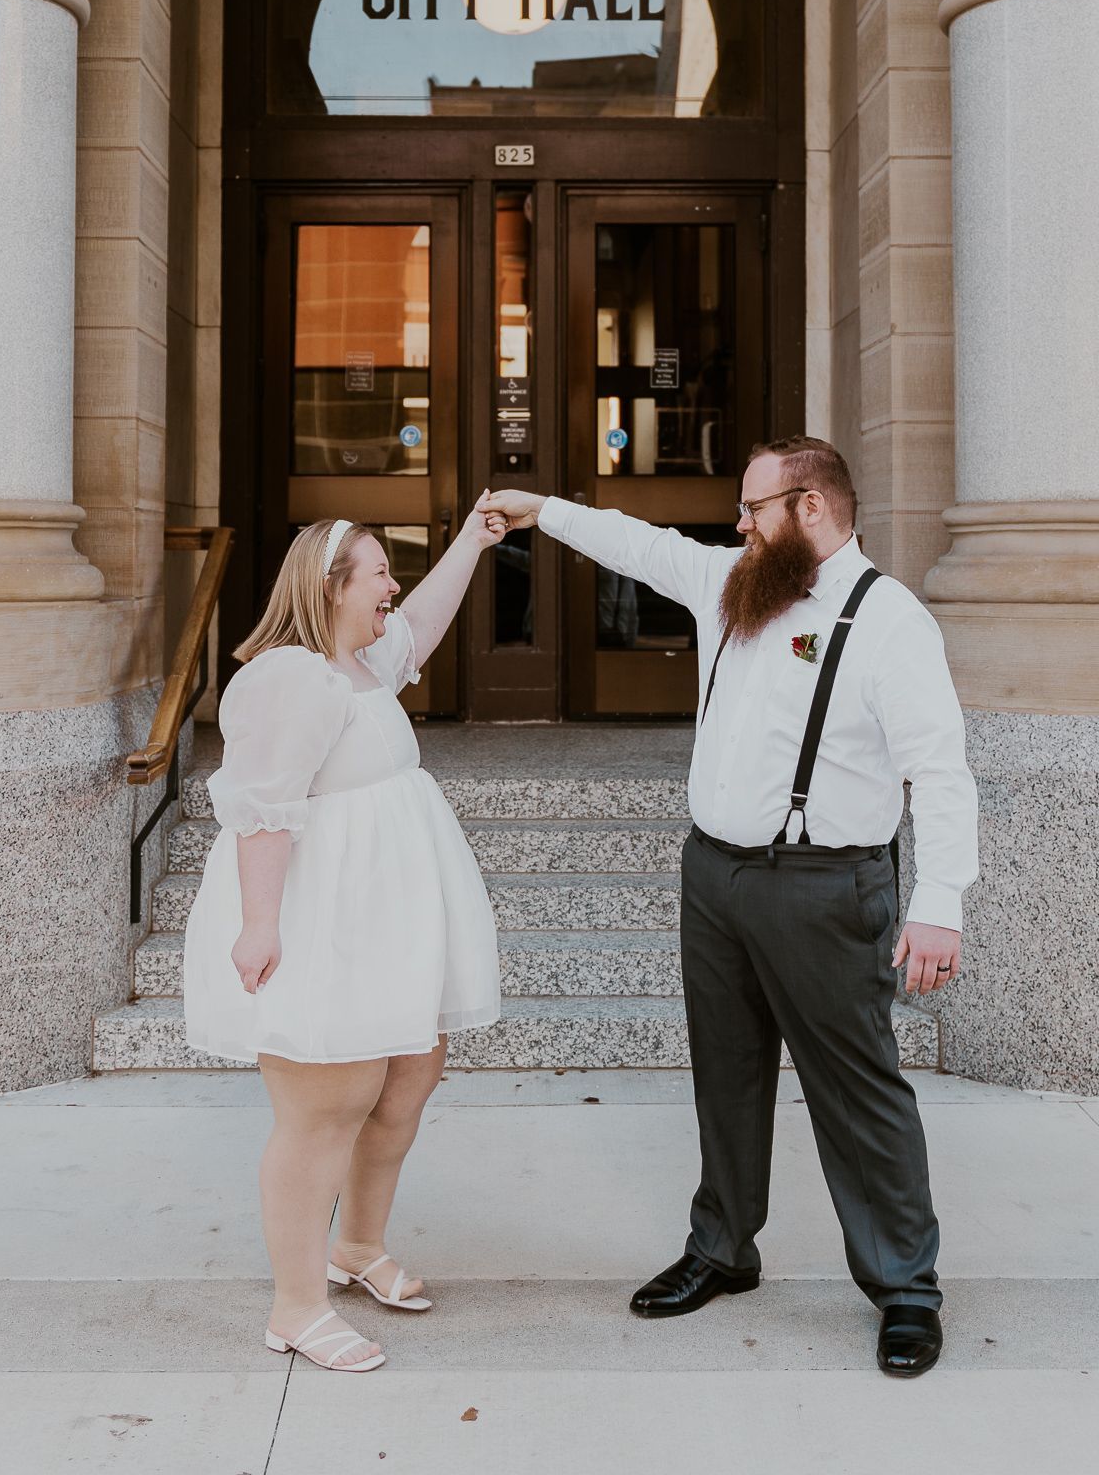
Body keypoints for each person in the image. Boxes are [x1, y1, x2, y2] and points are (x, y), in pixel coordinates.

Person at [489, 438, 979, 1380]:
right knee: (726, 1071)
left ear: (811, 508)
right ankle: (722, 1249)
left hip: (826, 888)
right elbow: (637, 544)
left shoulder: (889, 620)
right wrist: (539, 509)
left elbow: (942, 772)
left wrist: (939, 903)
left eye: (755, 508)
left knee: (856, 1088)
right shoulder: (731, 583)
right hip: (713, 875)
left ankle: (906, 1287)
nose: (739, 524)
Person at [183, 496, 506, 1373]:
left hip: (390, 913)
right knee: (327, 1105)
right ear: (331, 587)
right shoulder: (290, 679)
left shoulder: (360, 664)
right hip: (323, 916)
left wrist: (472, 543)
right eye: (380, 575)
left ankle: (357, 1245)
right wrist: (259, 926)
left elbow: (423, 624)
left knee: (407, 1079)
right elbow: (262, 809)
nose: (392, 588)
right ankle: (295, 1306)